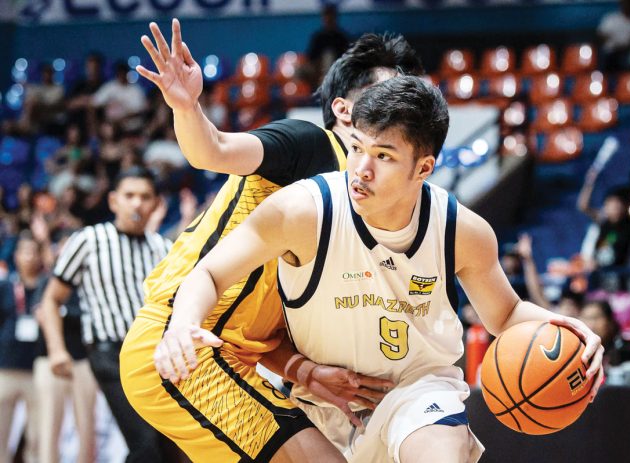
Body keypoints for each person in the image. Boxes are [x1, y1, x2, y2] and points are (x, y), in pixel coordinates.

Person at [156, 76, 605, 462]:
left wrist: (575, 331)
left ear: (423, 168)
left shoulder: (462, 230)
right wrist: (182, 324)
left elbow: (505, 316)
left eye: (384, 156)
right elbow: (208, 274)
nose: (361, 169)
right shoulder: (302, 211)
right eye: (357, 148)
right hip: (320, 400)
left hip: (417, 392)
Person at [120, 19, 424, 462]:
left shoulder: (364, 200)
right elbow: (215, 150)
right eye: (387, 94)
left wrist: (307, 372)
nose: (400, 107)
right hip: (183, 343)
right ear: (343, 110)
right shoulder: (310, 144)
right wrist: (187, 109)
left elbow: (264, 329)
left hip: (229, 359)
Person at [39, 167, 172, 463]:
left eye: (145, 197)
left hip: (155, 356)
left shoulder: (164, 248)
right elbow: (50, 300)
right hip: (109, 353)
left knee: (169, 447)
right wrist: (57, 350)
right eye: (129, 196)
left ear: (155, 204)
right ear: (113, 201)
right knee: (146, 443)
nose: (137, 203)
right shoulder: (89, 240)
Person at [33, 230, 98, 463]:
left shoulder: (88, 281)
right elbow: (40, 313)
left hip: (83, 360)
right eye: (63, 246)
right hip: (49, 358)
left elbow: (91, 315)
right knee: (49, 424)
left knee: (87, 426)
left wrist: (61, 313)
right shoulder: (47, 280)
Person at [0, 232, 43, 463]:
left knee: (37, 438)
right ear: (16, 256)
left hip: (36, 371)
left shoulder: (46, 287)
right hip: (5, 368)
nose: (29, 257)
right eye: (24, 251)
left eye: (34, 251)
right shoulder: (5, 286)